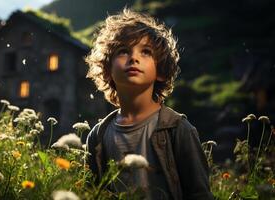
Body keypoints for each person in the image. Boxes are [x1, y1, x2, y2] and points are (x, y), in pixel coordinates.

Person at [85, 9, 214, 200]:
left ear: (160, 71)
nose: (133, 58)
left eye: (145, 52)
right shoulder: (98, 136)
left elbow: (199, 194)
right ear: (107, 70)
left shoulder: (178, 130)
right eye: (123, 51)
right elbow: (91, 193)